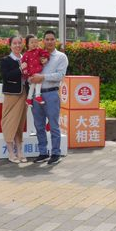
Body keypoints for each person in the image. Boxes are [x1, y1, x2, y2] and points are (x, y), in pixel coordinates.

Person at [29, 30, 68, 164]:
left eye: (52, 39)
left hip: (51, 94)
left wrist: (43, 77)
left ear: (55, 41)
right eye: (47, 39)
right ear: (43, 41)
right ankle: (43, 152)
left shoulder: (61, 57)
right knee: (39, 125)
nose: (49, 42)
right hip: (36, 94)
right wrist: (30, 78)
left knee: (53, 125)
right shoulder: (36, 54)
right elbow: (30, 70)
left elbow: (60, 76)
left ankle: (56, 153)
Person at [0, 35, 28, 163]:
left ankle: (20, 151)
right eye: (14, 43)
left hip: (24, 94)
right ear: (10, 45)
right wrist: (20, 69)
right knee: (9, 122)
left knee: (20, 123)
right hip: (12, 95)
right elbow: (6, 76)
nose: (17, 45)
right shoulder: (6, 60)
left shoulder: (26, 58)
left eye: (19, 43)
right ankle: (11, 153)